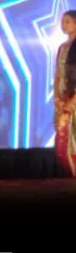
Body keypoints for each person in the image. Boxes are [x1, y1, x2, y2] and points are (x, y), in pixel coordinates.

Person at [54, 10, 76, 176]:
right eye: (62, 21)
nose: (63, 25)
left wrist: (72, 101)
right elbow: (58, 75)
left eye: (67, 21)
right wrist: (57, 99)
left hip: (73, 101)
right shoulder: (62, 47)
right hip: (63, 100)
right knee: (62, 146)